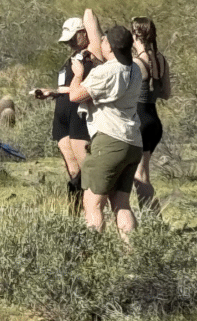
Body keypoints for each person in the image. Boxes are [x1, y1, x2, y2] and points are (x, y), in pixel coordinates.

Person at [68, 25, 143, 237]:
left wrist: (78, 73)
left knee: (92, 203)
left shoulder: (106, 71)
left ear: (109, 45)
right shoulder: (135, 68)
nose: (100, 43)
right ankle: (132, 255)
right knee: (121, 203)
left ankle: (95, 254)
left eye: (103, 40)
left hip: (109, 141)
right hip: (132, 142)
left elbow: (75, 96)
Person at [34, 17, 96, 214]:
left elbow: (86, 87)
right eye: (67, 40)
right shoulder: (70, 59)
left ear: (83, 33)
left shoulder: (91, 58)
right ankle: (74, 213)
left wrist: (63, 91)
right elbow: (67, 87)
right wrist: (51, 92)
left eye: (72, 38)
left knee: (85, 168)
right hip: (62, 117)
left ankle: (93, 212)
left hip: (78, 115)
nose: (69, 43)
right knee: (72, 170)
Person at [130, 16, 172, 211]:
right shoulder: (161, 60)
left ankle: (152, 221)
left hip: (139, 120)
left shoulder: (137, 63)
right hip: (154, 120)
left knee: (140, 175)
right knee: (143, 172)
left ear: (136, 35)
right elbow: (166, 94)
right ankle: (152, 219)